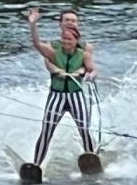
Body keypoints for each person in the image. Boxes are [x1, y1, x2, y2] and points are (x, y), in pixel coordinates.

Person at [26, 9, 97, 165]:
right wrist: (33, 25)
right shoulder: (53, 51)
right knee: (47, 131)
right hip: (56, 95)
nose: (66, 42)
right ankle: (36, 165)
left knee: (84, 129)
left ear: (76, 40)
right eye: (64, 39)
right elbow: (38, 45)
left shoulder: (84, 52)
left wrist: (88, 74)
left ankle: (92, 158)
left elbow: (92, 69)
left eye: (69, 40)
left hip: (76, 95)